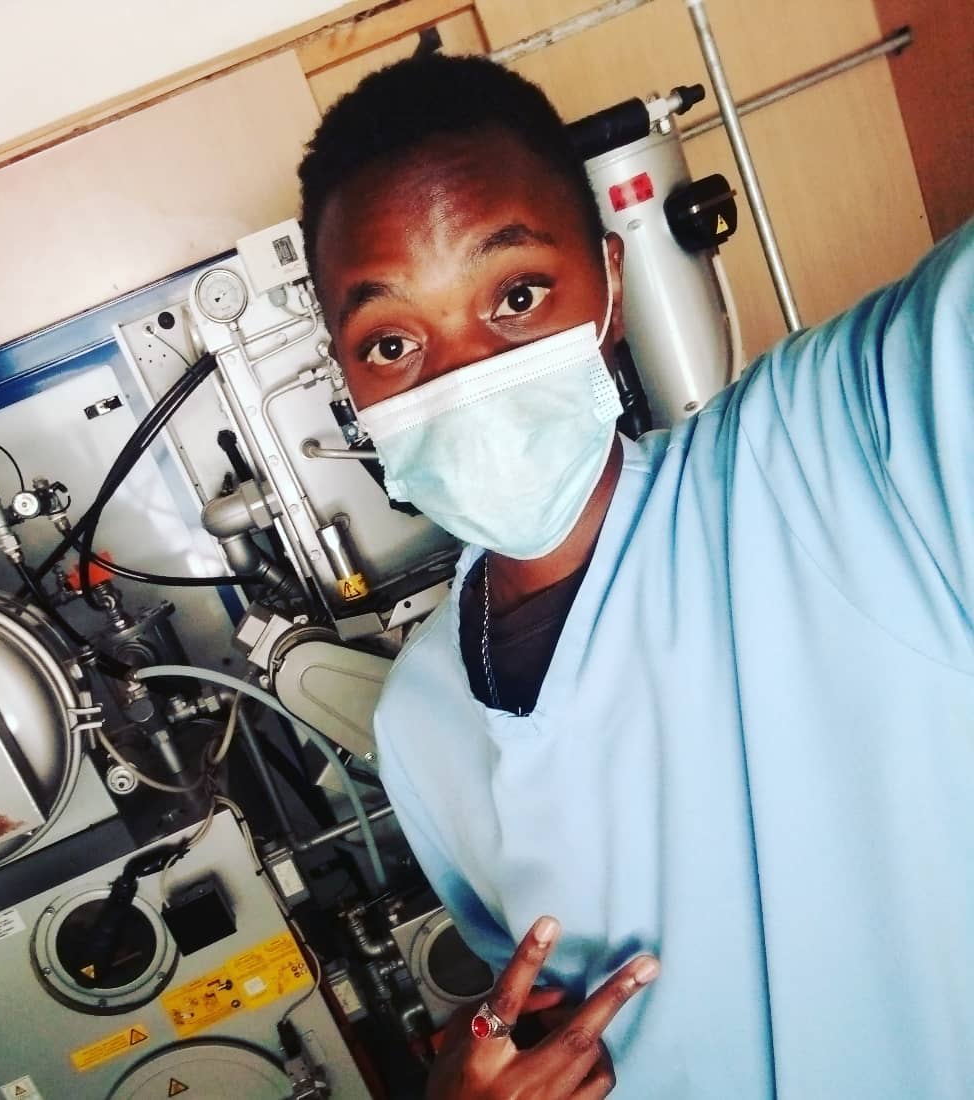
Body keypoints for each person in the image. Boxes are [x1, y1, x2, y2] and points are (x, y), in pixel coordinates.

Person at [298, 53, 973, 1099]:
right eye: (391, 342)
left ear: (610, 289)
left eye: (516, 295)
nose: (467, 379)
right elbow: (535, 1026)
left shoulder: (828, 454)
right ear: (349, 380)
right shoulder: (422, 722)